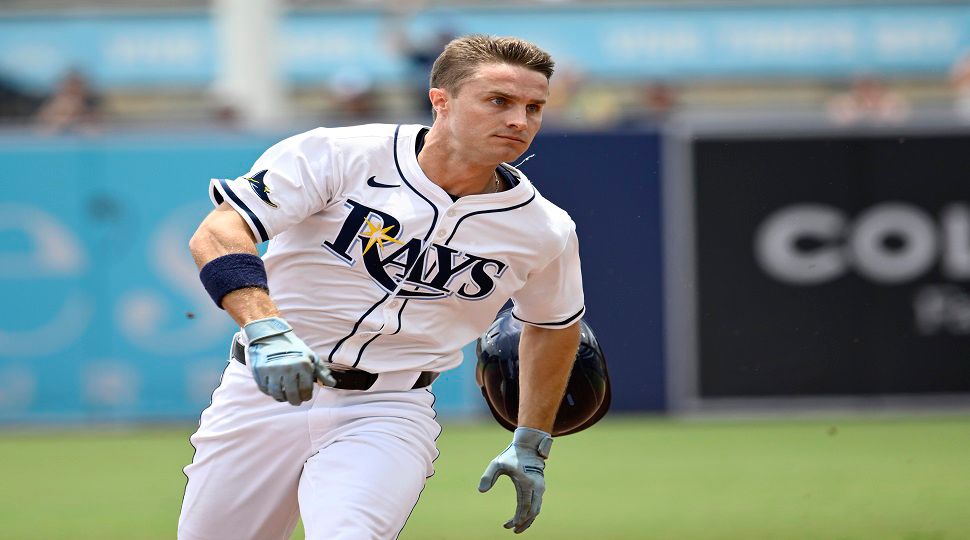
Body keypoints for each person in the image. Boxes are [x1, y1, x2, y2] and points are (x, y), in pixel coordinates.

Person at [179, 34, 585, 539]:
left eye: (533, 107)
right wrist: (266, 328)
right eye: (499, 101)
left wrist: (532, 440)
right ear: (441, 101)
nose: (519, 121)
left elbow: (554, 325)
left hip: (388, 408)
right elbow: (218, 232)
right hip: (261, 392)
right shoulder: (340, 154)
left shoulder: (544, 229)